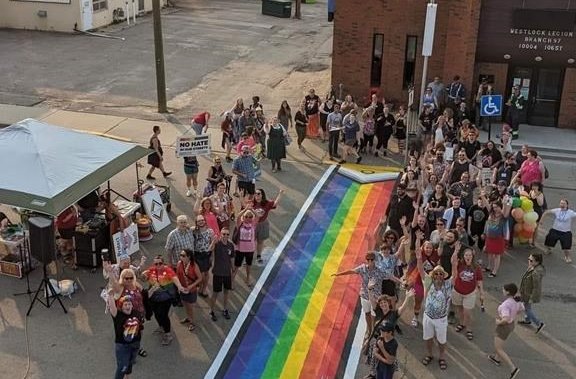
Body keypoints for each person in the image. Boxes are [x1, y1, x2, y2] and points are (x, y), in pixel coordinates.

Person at [416, 247, 457, 371]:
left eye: (440, 273)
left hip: (441, 319)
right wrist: (419, 258)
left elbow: (454, 274)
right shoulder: (428, 282)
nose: (438, 275)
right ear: (433, 275)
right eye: (436, 273)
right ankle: (429, 354)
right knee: (428, 338)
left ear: (443, 276)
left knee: (441, 340)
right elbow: (421, 270)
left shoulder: (448, 284)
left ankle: (442, 357)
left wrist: (454, 261)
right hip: (428, 317)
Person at [332, 251, 388, 338]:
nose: (369, 261)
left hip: (375, 297)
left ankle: (374, 330)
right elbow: (352, 271)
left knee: (374, 315)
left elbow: (390, 276)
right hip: (365, 296)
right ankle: (369, 331)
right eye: (368, 259)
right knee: (367, 313)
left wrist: (401, 282)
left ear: (374, 260)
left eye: (371, 259)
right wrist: (338, 274)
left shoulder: (379, 270)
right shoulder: (362, 268)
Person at [141, 255, 187, 346]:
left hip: (165, 298)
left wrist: (179, 286)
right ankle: (161, 327)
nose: (158, 265)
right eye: (156, 264)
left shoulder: (168, 270)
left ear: (163, 263)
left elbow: (174, 278)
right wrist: (141, 267)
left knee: (163, 315)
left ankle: (168, 335)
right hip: (153, 298)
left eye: (160, 263)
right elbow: (142, 277)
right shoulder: (151, 270)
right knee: (157, 314)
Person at [488, 283, 523, 379]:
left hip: (504, 327)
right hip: (511, 325)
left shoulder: (506, 305)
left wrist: (498, 322)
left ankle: (513, 368)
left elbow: (505, 319)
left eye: (503, 289)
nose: (502, 291)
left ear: (508, 292)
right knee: (501, 342)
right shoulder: (517, 301)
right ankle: (496, 358)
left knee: (498, 348)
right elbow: (521, 309)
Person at [107, 290, 142, 379]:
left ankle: (128, 377)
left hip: (135, 344)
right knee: (122, 367)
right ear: (121, 307)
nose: (128, 306)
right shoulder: (118, 315)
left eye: (129, 304)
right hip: (123, 346)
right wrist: (110, 295)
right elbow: (112, 308)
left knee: (130, 362)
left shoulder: (136, 313)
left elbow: (140, 327)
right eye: (125, 304)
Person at [451, 247, 484, 341]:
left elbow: (479, 279)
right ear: (463, 256)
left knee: (467, 312)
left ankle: (469, 329)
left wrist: (481, 292)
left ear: (472, 256)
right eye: (466, 255)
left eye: (470, 255)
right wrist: (456, 251)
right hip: (457, 291)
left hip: (470, 293)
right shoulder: (459, 264)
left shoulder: (476, 267)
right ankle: (462, 324)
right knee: (460, 310)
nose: (468, 257)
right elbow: (453, 261)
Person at [209, 227, 235, 321]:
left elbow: (232, 257)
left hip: (227, 273)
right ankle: (211, 311)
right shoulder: (217, 244)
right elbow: (209, 249)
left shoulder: (230, 245)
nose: (225, 236)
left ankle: (225, 309)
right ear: (221, 234)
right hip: (217, 273)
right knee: (215, 293)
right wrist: (213, 242)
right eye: (224, 234)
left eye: (227, 234)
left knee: (226, 292)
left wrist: (233, 269)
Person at [253, 188, 283, 264]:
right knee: (251, 242)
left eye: (259, 193)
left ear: (262, 195)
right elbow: (244, 207)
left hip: (263, 224)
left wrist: (280, 194)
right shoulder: (252, 203)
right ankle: (248, 256)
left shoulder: (267, 203)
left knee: (260, 241)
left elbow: (275, 203)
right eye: (255, 194)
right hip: (253, 225)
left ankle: (259, 256)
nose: (257, 195)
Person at [518, 253, 546, 333]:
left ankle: (539, 323)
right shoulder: (532, 267)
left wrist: (532, 298)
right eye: (528, 259)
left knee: (527, 309)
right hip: (526, 292)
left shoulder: (535, 273)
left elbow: (536, 287)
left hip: (528, 293)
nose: (529, 261)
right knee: (527, 307)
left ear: (537, 262)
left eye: (531, 260)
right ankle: (527, 320)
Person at [176, 249, 202, 332]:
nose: (181, 257)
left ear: (189, 257)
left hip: (191, 290)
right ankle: (188, 317)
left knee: (190, 307)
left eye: (183, 256)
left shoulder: (194, 265)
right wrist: (178, 287)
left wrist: (191, 286)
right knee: (185, 304)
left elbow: (200, 278)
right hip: (183, 289)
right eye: (181, 255)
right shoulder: (179, 264)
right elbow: (177, 276)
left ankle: (192, 322)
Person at [233, 207, 259, 287]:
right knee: (236, 266)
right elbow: (238, 216)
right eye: (246, 217)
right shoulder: (239, 224)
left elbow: (257, 216)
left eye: (250, 217)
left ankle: (247, 279)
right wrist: (245, 209)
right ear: (243, 217)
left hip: (250, 249)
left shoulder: (253, 224)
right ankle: (232, 280)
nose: (248, 218)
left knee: (249, 265)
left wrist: (252, 209)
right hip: (240, 249)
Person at [484, 200, 511, 277]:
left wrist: (506, 202)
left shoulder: (503, 216)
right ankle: (489, 267)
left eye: (497, 207)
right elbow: (486, 204)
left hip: (498, 238)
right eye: (494, 207)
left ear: (501, 207)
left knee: (496, 255)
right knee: (489, 252)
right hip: (489, 237)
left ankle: (494, 272)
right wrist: (483, 196)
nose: (495, 209)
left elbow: (508, 208)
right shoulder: (491, 213)